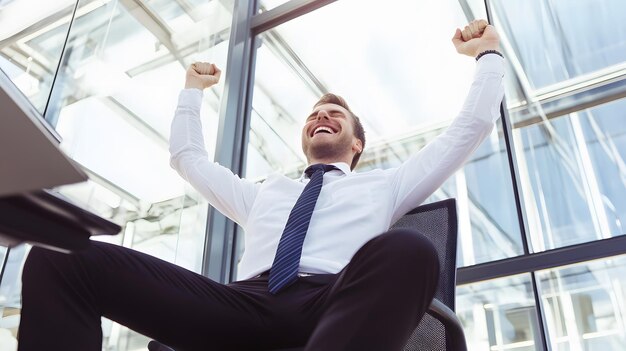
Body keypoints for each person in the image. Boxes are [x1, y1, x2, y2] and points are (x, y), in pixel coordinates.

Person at [18, 19, 504, 351]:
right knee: (60, 255)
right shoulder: (264, 194)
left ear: (357, 143)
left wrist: (487, 54)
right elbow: (188, 159)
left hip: (334, 302)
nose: (321, 117)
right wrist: (191, 92)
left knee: (411, 250)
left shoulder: (387, 185)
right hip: (245, 305)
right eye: (314, 114)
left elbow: (471, 127)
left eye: (335, 115)